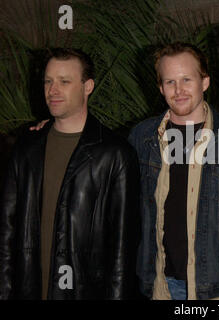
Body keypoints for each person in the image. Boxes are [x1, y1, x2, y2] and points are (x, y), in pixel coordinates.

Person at [0, 48, 140, 299]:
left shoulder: (116, 153)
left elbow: (123, 248)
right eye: (48, 81)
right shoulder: (26, 147)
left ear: (88, 87)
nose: (53, 90)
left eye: (64, 82)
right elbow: (7, 231)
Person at [128, 42, 219, 300]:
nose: (179, 90)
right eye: (170, 82)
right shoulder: (142, 138)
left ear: (204, 81)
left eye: (186, 79)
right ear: (160, 87)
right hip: (161, 286)